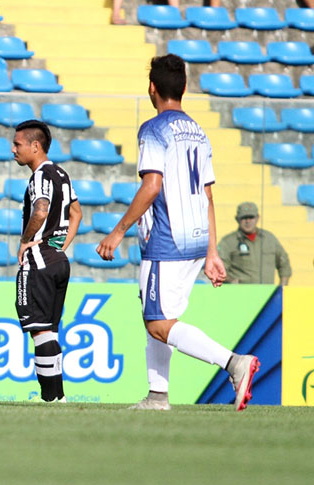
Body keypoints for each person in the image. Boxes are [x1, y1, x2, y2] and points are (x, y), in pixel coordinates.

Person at [96, 54, 260, 411]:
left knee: (157, 323)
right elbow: (208, 194)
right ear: (183, 88)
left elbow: (152, 185)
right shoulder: (199, 132)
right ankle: (157, 397)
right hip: (197, 240)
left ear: (152, 88)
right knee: (161, 316)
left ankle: (234, 363)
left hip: (167, 241)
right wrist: (212, 251)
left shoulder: (153, 129)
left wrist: (117, 231)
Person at [12, 120, 83, 403]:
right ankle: (58, 399)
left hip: (40, 261)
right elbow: (76, 213)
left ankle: (51, 398)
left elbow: (40, 210)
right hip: (58, 260)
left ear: (35, 146)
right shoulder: (61, 174)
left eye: (17, 144)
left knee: (40, 331)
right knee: (49, 331)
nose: (13, 149)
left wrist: (26, 241)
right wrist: (59, 246)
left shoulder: (40, 176)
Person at [218, 201, 292, 285]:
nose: (248, 221)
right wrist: (230, 280)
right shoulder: (228, 242)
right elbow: (218, 270)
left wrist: (282, 288)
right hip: (240, 294)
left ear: (257, 218)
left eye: (251, 217)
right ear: (237, 219)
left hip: (267, 294)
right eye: (244, 218)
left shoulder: (269, 239)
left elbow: (284, 263)